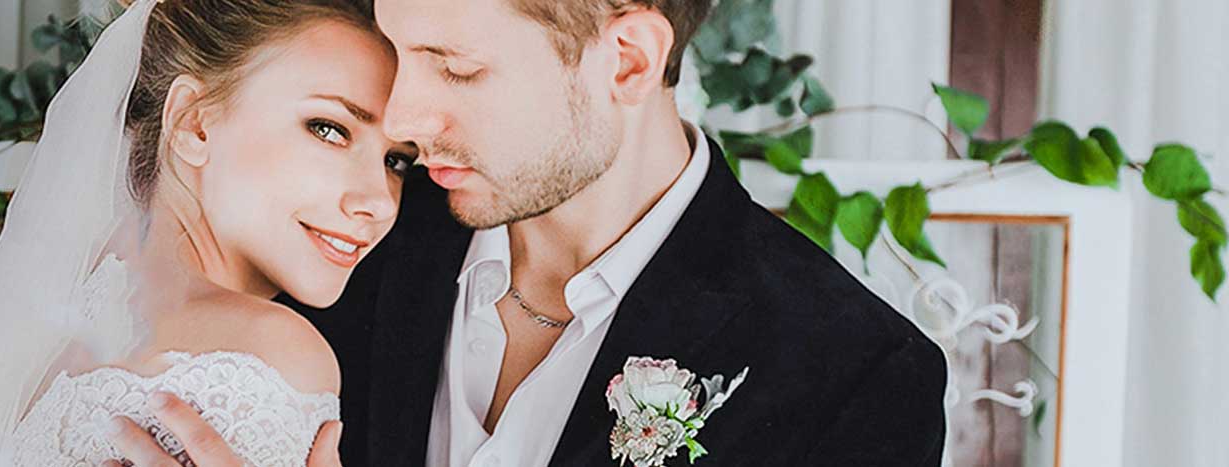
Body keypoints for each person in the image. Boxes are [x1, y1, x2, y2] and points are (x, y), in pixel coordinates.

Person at [120, 0, 950, 466]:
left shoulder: (856, 377)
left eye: (456, 68)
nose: (402, 117)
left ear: (627, 60)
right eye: (399, 54)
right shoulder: (338, 242)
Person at [0, 0, 413, 465]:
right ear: (193, 123)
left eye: (396, 161)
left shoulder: (46, 337)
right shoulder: (270, 354)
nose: (378, 201)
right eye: (329, 129)